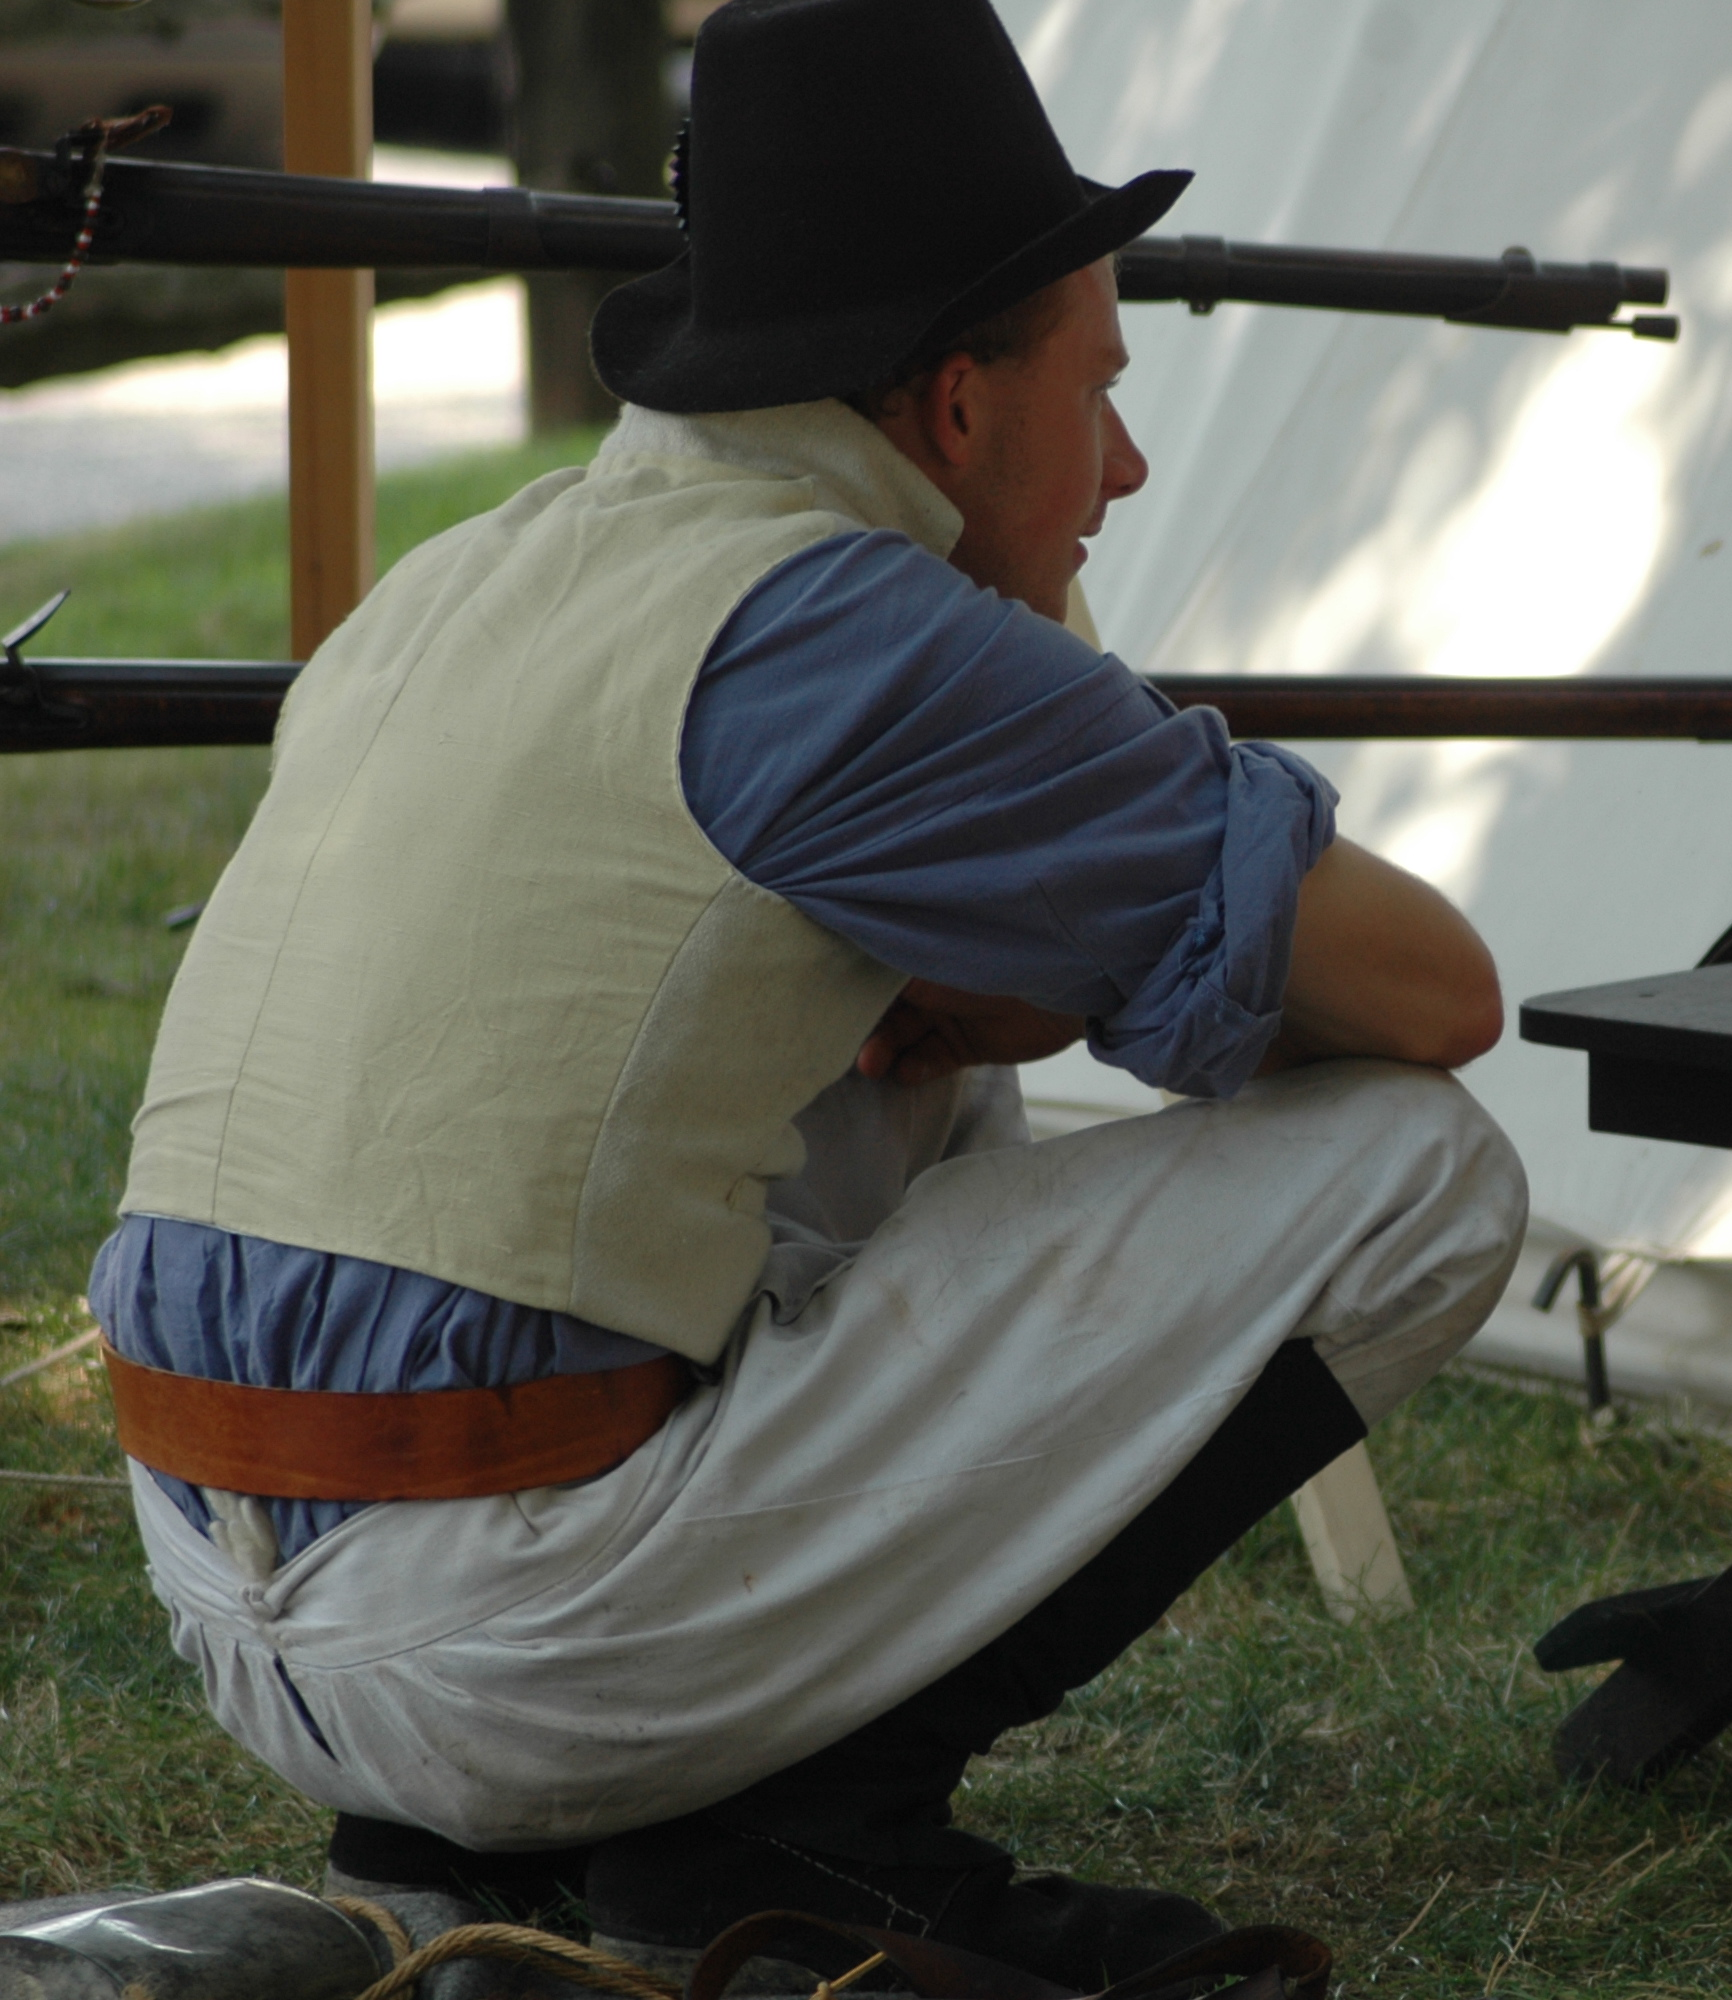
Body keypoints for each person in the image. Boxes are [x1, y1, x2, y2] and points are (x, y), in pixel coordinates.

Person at [83, 0, 1527, 1987]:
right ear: (957, 404)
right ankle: (797, 1844)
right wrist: (1088, 895)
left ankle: (469, 1847)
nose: (1123, 463)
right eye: (1097, 389)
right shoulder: (845, 626)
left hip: (224, 1605)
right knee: (1422, 1174)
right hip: (502, 1643)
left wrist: (985, 981)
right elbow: (1438, 995)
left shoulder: (466, 572)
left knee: (885, 1055)